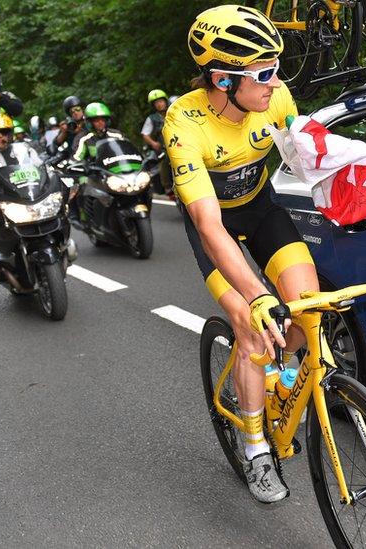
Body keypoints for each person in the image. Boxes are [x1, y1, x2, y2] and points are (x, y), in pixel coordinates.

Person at [163, 4, 316, 504]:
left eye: (278, 69)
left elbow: (309, 156)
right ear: (224, 80)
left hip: (260, 210)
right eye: (265, 73)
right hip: (215, 226)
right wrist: (254, 295)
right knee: (253, 325)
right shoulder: (183, 120)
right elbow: (208, 224)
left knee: (306, 309)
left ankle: (282, 369)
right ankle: (255, 448)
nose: (276, 82)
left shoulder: (275, 97)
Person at [141, 89, 168, 154]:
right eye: (156, 102)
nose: (159, 104)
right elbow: (145, 134)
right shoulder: (151, 118)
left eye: (161, 101)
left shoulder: (173, 113)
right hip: (163, 150)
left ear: (165, 102)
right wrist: (153, 143)